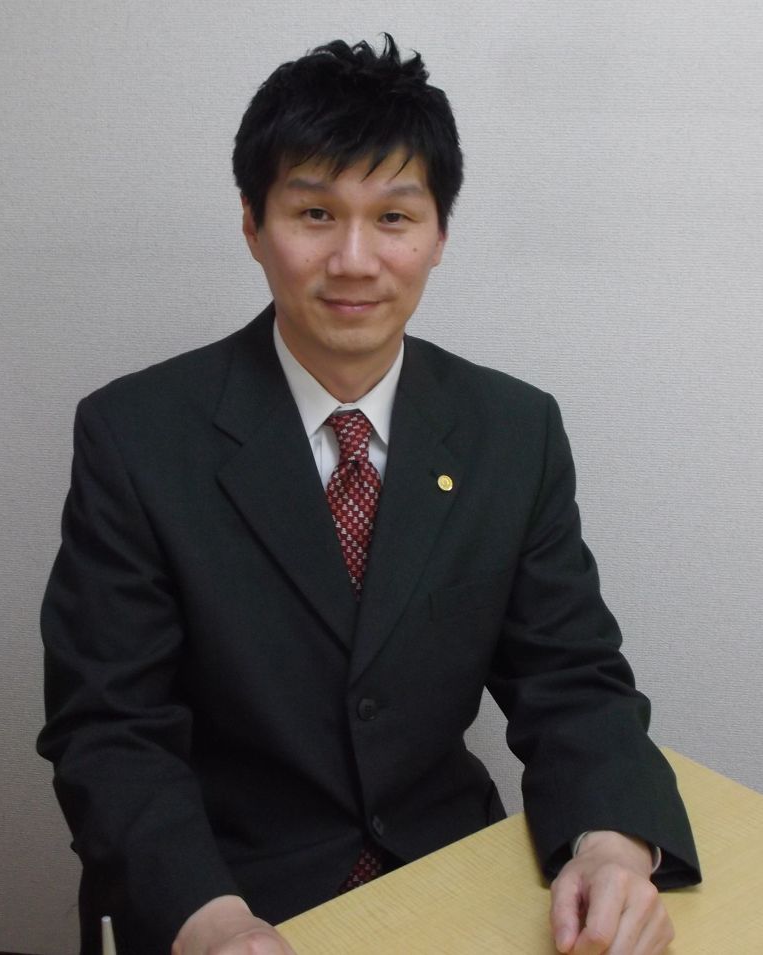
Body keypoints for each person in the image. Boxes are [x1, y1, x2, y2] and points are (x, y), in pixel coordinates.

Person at [38, 35, 700, 955]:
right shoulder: (135, 435)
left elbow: (571, 678)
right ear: (252, 223)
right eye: (314, 212)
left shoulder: (513, 429)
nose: (354, 260)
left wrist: (611, 845)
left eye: (393, 217)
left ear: (438, 234)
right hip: (229, 889)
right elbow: (110, 728)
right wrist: (210, 919)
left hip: (451, 872)